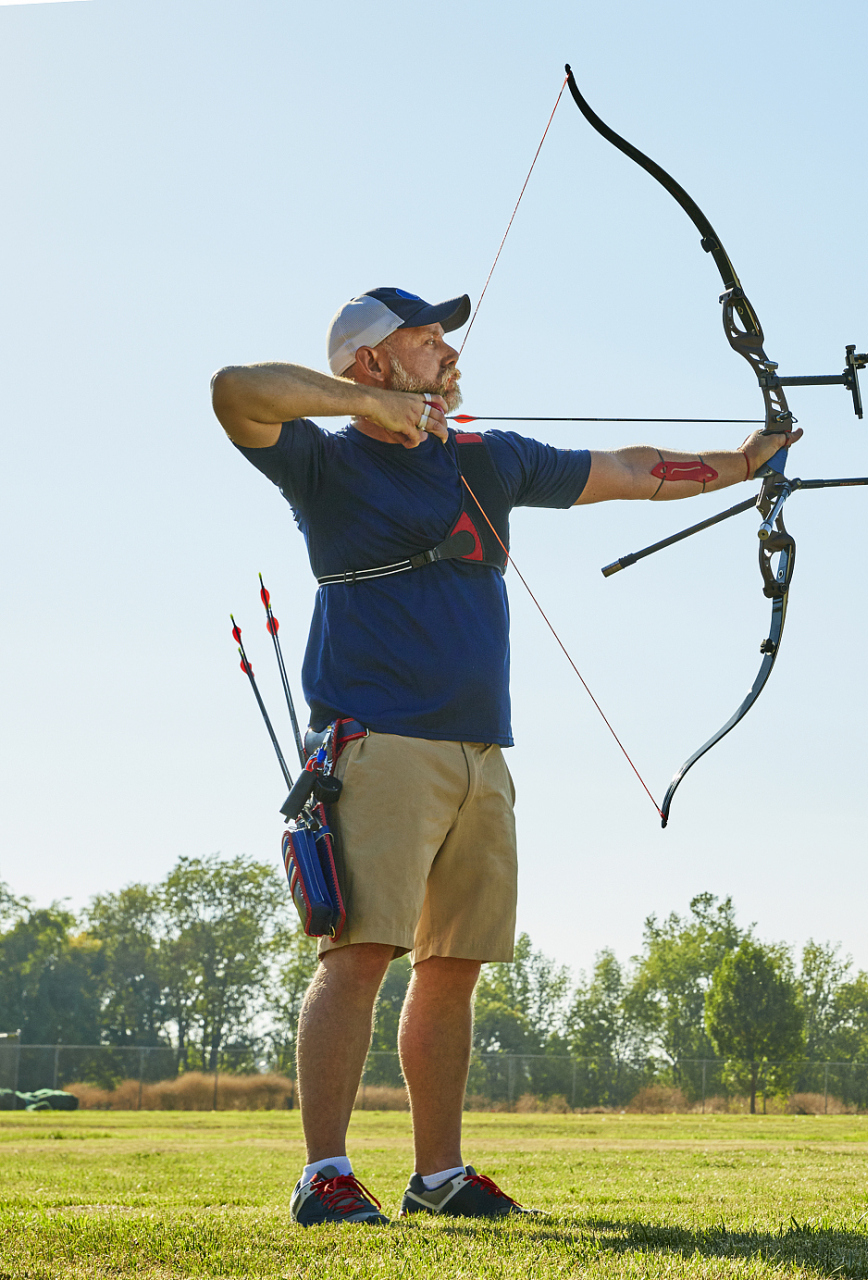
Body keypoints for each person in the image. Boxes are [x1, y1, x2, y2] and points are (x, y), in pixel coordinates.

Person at [213, 288, 796, 1226]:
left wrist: (739, 463)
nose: (447, 352)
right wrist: (365, 409)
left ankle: (437, 1175)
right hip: (379, 741)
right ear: (369, 361)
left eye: (447, 339)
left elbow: (627, 469)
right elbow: (235, 389)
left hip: (482, 752)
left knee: (453, 967)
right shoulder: (326, 464)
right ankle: (325, 1171)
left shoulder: (488, 458)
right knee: (359, 954)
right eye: (424, 340)